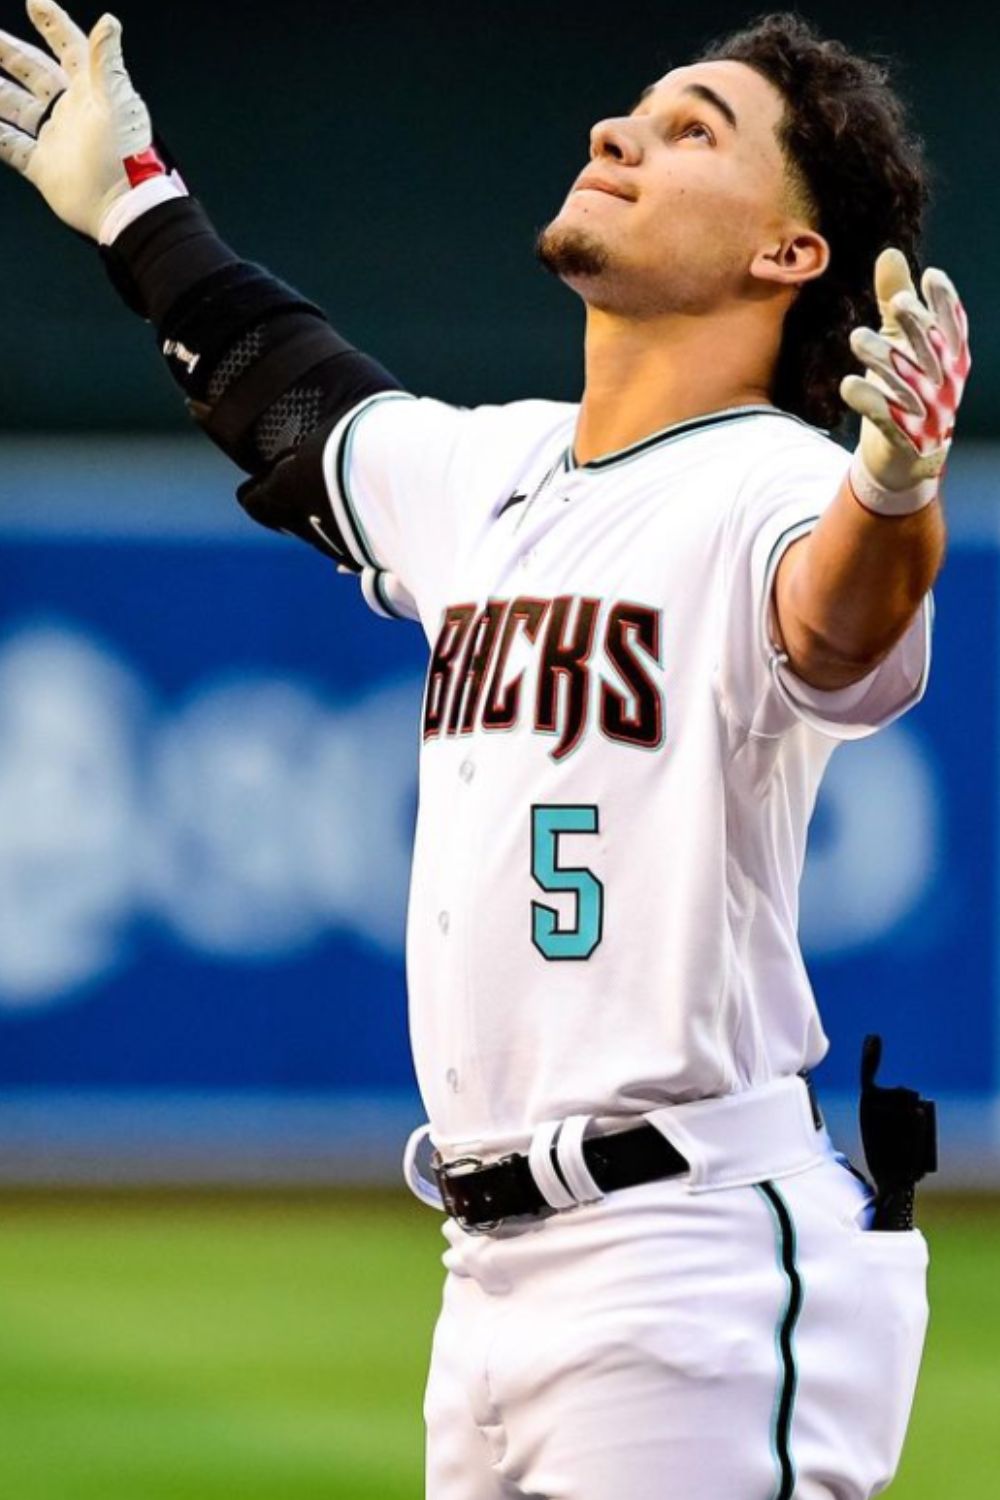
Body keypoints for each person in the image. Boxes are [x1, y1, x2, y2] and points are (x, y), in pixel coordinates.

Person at [0, 4, 970, 1495]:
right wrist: (136, 199)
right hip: (493, 1274)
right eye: (635, 110)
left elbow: (836, 620)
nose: (618, 133)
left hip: (691, 1259)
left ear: (789, 253)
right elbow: (290, 401)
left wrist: (896, 487)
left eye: (695, 128)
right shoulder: (501, 468)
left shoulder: (775, 484)